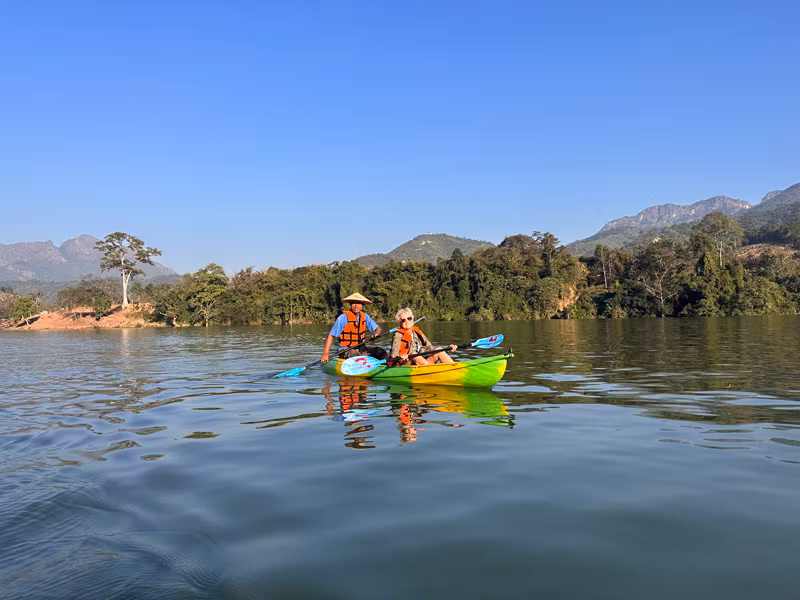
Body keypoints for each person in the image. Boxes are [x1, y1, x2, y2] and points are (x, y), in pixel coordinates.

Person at [321, 293, 384, 363]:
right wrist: (326, 352)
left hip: (361, 349)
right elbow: (331, 335)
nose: (356, 306)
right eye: (354, 303)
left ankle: (387, 365)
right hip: (345, 349)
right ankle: (363, 364)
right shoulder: (342, 318)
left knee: (380, 351)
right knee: (356, 355)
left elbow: (378, 329)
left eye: (359, 303)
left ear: (362, 305)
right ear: (350, 304)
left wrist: (376, 334)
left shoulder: (365, 317)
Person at [389, 307, 457, 365]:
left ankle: (454, 368)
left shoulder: (417, 332)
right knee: (414, 354)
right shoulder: (397, 335)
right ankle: (432, 372)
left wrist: (447, 348)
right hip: (405, 364)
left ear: (413, 318)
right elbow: (394, 355)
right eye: (403, 320)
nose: (407, 321)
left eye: (409, 318)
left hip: (421, 363)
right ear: (400, 322)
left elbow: (430, 347)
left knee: (438, 350)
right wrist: (401, 357)